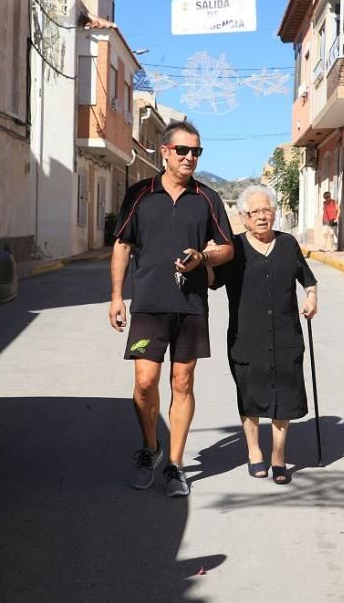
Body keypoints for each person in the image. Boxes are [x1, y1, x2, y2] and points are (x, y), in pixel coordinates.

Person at [109, 121, 234, 497]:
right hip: (148, 303)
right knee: (144, 383)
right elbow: (122, 245)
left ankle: (175, 465)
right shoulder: (139, 195)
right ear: (165, 152)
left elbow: (227, 248)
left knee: (183, 382)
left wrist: (203, 255)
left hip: (191, 304)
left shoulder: (208, 198)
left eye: (196, 152)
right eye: (183, 151)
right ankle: (151, 448)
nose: (190, 158)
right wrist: (117, 296)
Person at [209, 185, 317, 485]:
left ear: (274, 213)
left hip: (285, 335)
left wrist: (311, 298)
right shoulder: (235, 248)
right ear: (243, 217)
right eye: (254, 212)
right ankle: (254, 451)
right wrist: (205, 258)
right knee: (250, 394)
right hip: (247, 337)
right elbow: (213, 281)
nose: (261, 217)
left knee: (284, 396)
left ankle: (278, 456)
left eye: (266, 210)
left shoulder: (287, 244)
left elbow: (307, 279)